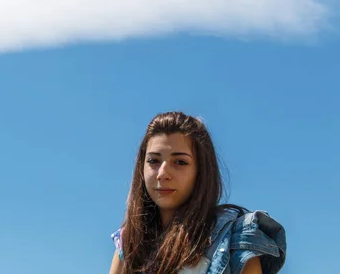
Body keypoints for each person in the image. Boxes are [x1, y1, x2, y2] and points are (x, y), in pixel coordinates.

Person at [108, 112, 286, 274]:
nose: (162, 173)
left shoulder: (234, 237)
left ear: (201, 171)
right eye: (153, 161)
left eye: (179, 162)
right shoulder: (130, 241)